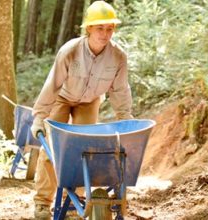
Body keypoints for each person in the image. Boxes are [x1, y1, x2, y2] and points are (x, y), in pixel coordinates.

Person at [30, 1, 133, 218]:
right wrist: (40, 117)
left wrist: (126, 121)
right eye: (100, 28)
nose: (105, 34)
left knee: (81, 150)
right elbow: (53, 84)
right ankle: (41, 202)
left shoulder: (118, 57)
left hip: (89, 101)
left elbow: (120, 91)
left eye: (109, 29)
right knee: (51, 149)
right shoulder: (70, 51)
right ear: (88, 29)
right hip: (62, 98)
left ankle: (73, 202)